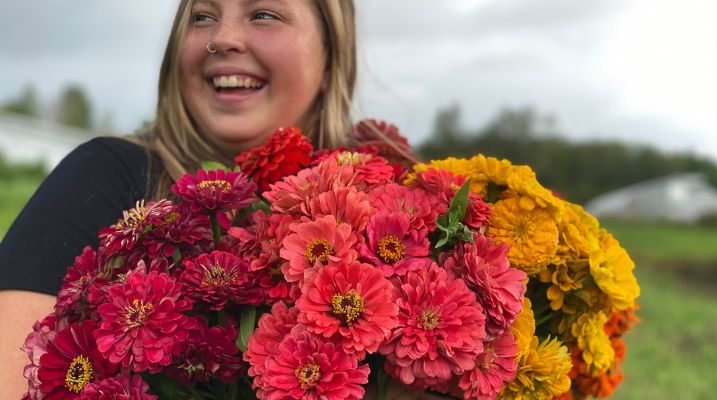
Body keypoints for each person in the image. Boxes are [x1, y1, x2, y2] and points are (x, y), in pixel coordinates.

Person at [0, 1, 439, 398]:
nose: (221, 38)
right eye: (202, 16)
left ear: (330, 59)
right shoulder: (104, 174)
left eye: (263, 14)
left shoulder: (404, 205)